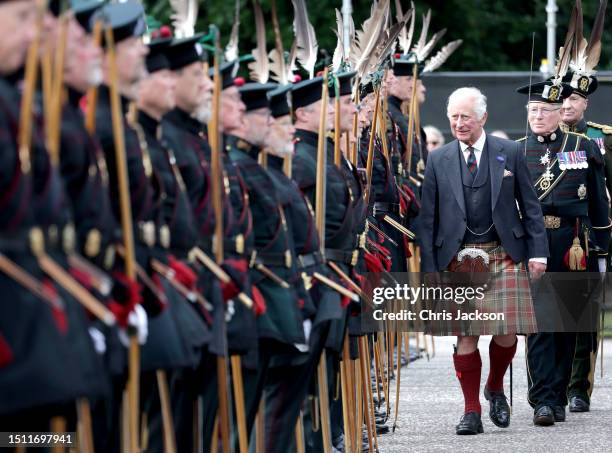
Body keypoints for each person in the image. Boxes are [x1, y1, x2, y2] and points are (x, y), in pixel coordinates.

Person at [420, 87, 548, 435]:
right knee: (466, 335)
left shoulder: (510, 152)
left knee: (506, 332)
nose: (459, 124)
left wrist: (538, 252)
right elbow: (427, 219)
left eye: (466, 117)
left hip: (503, 252)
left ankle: (494, 386)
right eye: (454, 118)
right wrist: (430, 269)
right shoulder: (438, 159)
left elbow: (531, 206)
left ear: (483, 119)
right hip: (458, 259)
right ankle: (471, 409)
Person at [516, 78, 610, 426]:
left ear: (559, 113)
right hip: (534, 244)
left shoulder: (584, 147)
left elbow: (599, 204)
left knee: (568, 324)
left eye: (545, 110)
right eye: (533, 110)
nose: (538, 116)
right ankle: (543, 399)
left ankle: (559, 395)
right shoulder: (516, 150)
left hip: (574, 244)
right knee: (540, 324)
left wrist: (602, 249)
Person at [559, 71, 612, 413]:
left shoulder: (601, 138)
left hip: (589, 239)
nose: (567, 104)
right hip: (553, 236)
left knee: (584, 319)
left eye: (574, 99)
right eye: (563, 98)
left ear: (585, 103)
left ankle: (579, 388)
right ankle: (552, 386)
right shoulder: (544, 137)